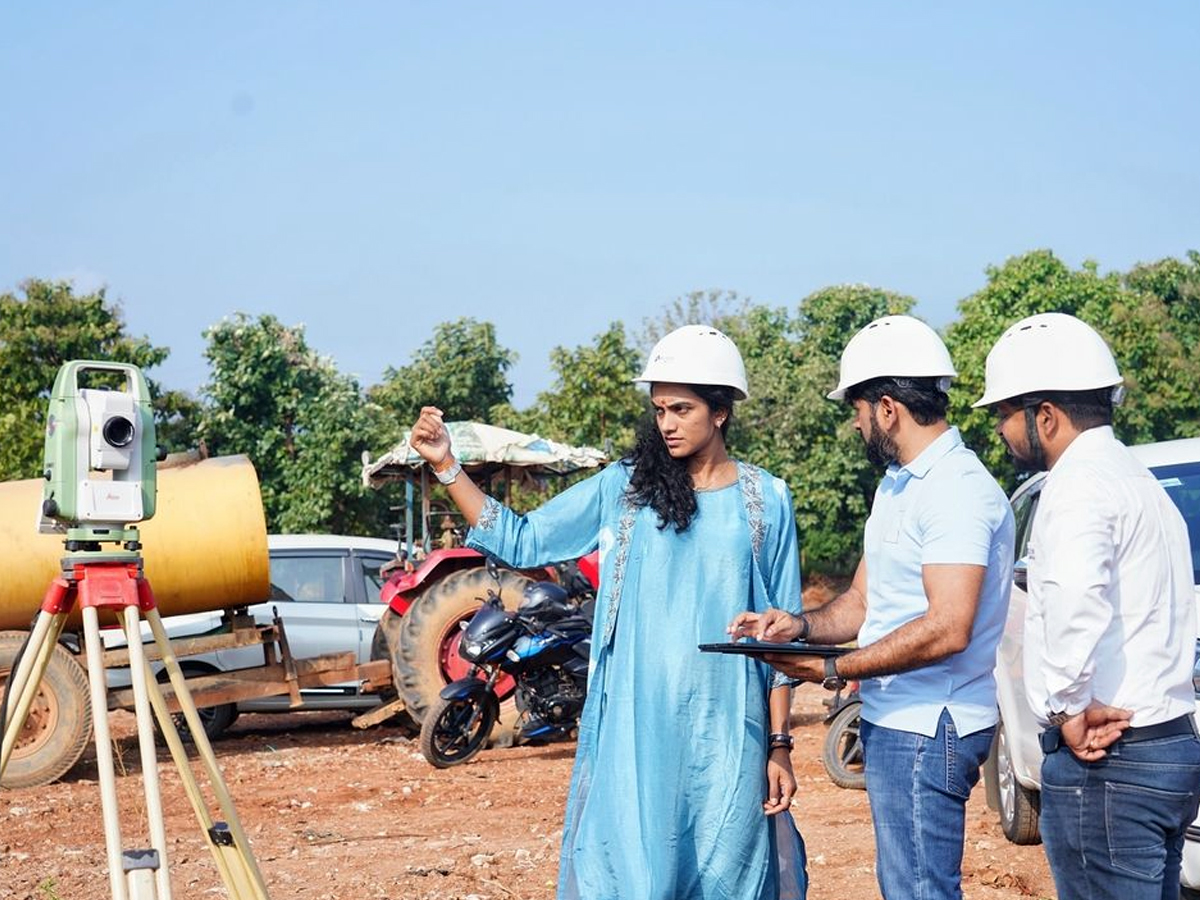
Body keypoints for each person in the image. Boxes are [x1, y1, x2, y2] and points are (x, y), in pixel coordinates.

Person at [407, 324, 807, 900]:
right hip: (634, 731)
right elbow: (522, 540)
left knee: (729, 876)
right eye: (658, 408)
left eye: (681, 408)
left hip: (728, 733)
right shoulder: (626, 488)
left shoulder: (766, 500)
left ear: (720, 411)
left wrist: (779, 745)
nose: (665, 422)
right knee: (635, 876)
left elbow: (781, 637)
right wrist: (447, 466)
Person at [730, 314, 1014, 900]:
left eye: (857, 411)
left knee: (919, 891)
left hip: (930, 724)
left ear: (887, 408)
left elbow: (948, 627)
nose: (857, 426)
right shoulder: (900, 484)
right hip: (898, 720)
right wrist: (798, 627)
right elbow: (863, 600)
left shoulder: (955, 488)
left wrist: (834, 669)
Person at [974, 311, 1200, 900]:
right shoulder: (1135, 478)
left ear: (1044, 415)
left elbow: (1075, 600)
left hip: (1112, 761)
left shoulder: (1077, 485)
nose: (1001, 428)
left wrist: (1068, 709)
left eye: (1003, 413)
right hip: (1168, 743)